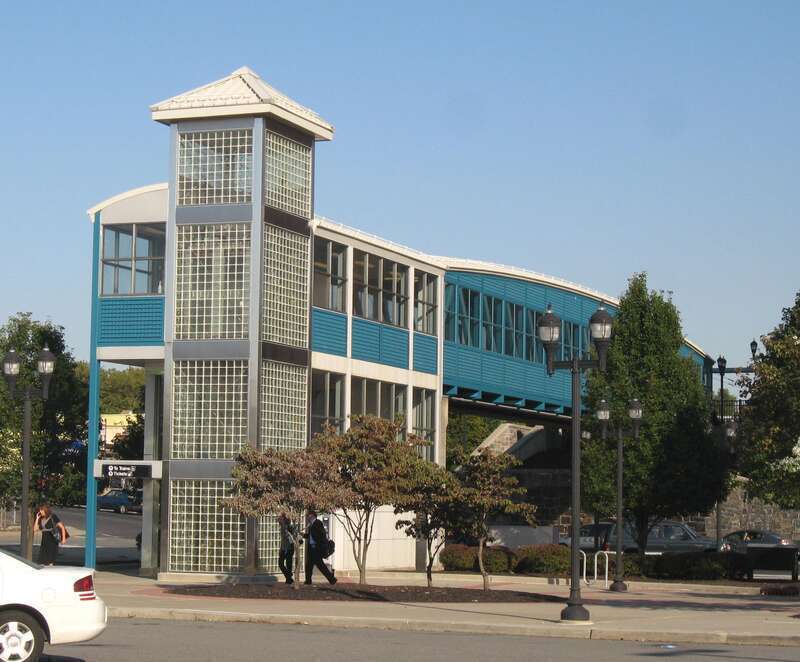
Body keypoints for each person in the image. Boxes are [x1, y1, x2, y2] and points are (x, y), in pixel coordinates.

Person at [304, 511, 336, 585]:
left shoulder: (318, 523)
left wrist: (320, 544)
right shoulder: (311, 525)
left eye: (309, 515)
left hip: (316, 549)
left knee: (320, 565)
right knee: (309, 565)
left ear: (313, 516)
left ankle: (332, 579)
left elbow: (322, 534)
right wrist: (303, 535)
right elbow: (310, 536)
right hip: (311, 549)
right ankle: (308, 581)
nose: (308, 517)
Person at [277, 513, 298, 584]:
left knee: (287, 563)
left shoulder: (287, 526)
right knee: (281, 563)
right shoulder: (283, 527)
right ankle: (289, 577)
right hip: (285, 547)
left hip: (288, 547)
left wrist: (284, 548)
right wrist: (281, 548)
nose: (278, 520)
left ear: (283, 519)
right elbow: (283, 539)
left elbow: (290, 537)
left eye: (280, 518)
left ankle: (289, 578)